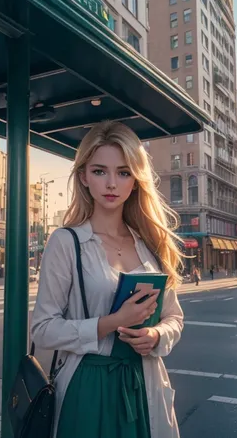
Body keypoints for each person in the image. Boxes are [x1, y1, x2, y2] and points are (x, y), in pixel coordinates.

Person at [31, 122, 183, 438]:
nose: (111, 183)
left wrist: (155, 335)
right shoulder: (66, 241)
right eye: (100, 171)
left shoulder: (150, 243)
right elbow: (42, 330)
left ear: (136, 181)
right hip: (88, 387)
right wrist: (112, 322)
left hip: (145, 384)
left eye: (123, 172)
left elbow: (174, 318)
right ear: (84, 176)